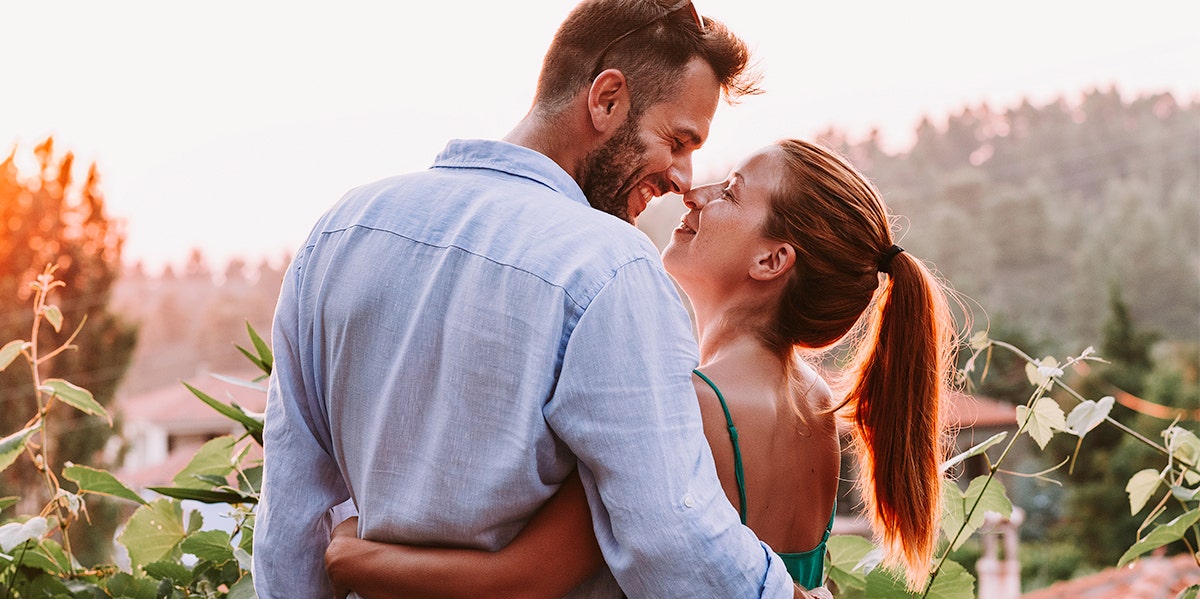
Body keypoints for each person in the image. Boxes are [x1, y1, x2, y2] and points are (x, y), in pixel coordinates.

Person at [254, 0, 822, 597]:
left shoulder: (343, 229)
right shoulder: (609, 269)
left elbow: (292, 517)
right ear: (607, 100)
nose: (683, 176)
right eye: (676, 140)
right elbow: (671, 535)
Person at [322, 139, 959, 596]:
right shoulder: (814, 405)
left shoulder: (689, 405)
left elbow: (519, 580)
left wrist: (351, 555)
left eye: (731, 192)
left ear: (773, 261)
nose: (694, 191)